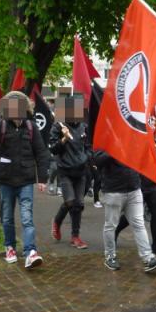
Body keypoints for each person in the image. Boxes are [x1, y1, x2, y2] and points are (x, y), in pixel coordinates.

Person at [0, 91, 51, 269]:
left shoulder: (31, 128)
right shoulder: (0, 126)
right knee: (7, 217)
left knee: (27, 218)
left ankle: (31, 251)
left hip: (25, 180)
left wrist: (42, 178)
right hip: (6, 180)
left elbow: (41, 153)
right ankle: (10, 247)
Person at [93, 147, 156, 273]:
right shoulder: (107, 138)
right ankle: (110, 256)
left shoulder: (133, 136)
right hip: (113, 190)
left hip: (134, 188)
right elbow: (97, 160)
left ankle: (148, 258)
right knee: (111, 225)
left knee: (139, 224)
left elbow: (146, 160)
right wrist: (115, 150)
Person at [115, 141, 156, 258]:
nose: (154, 123)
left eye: (155, 122)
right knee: (133, 215)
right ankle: (115, 232)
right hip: (139, 184)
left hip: (155, 184)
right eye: (153, 121)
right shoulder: (137, 137)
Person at [49, 95, 91, 249]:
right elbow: (52, 149)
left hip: (80, 172)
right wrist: (64, 139)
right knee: (70, 201)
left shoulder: (83, 126)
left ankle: (75, 237)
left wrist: (86, 158)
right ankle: (57, 222)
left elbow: (88, 146)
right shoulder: (58, 126)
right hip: (65, 171)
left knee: (79, 204)